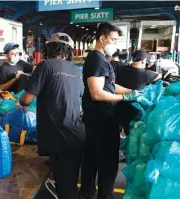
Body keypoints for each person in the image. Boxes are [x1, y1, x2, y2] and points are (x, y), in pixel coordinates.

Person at [80, 22, 142, 199]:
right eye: (113, 39)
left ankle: (87, 194)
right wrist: (125, 98)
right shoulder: (96, 60)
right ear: (102, 38)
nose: (115, 43)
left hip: (97, 119)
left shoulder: (100, 60)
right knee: (107, 164)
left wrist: (133, 92)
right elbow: (97, 94)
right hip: (102, 120)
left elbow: (110, 86)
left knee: (91, 160)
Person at [19, 33, 86, 199]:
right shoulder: (77, 71)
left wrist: (21, 102)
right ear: (67, 53)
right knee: (69, 181)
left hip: (58, 135)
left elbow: (26, 99)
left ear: (47, 51)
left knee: (65, 188)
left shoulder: (45, 66)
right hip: (76, 133)